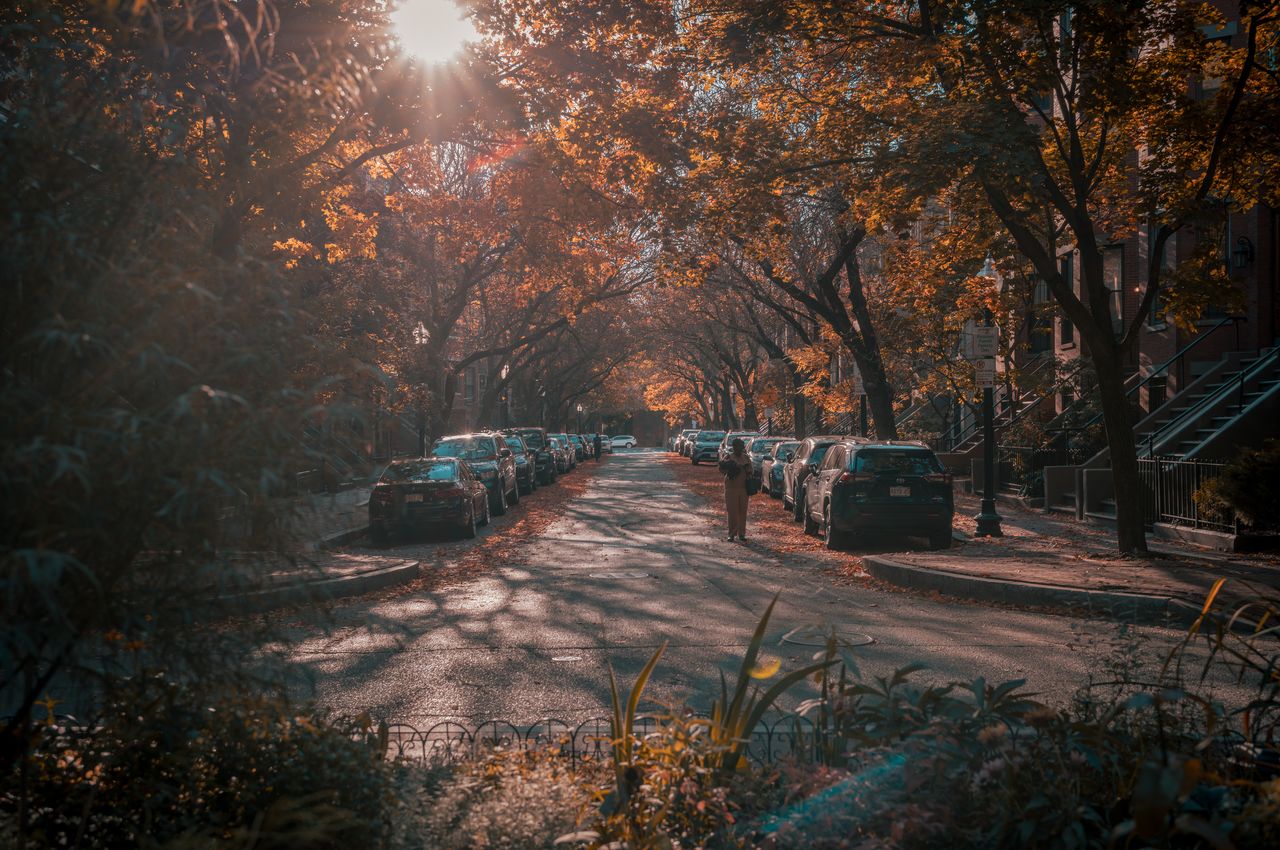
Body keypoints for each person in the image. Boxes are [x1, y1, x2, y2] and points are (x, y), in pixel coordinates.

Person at [719, 437, 752, 542]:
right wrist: (730, 467)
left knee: (742, 511)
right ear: (734, 447)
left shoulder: (746, 457)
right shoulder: (728, 457)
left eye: (742, 447)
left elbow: (751, 470)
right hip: (731, 488)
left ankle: (742, 533)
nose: (740, 449)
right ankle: (732, 534)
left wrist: (747, 469)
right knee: (732, 512)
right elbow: (721, 469)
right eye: (738, 447)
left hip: (743, 488)